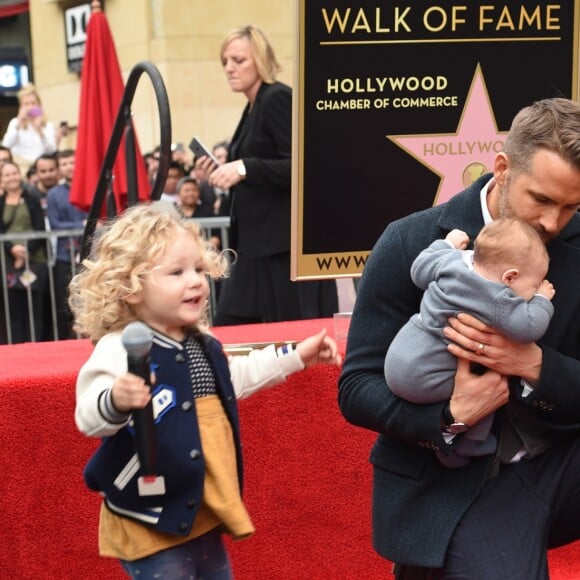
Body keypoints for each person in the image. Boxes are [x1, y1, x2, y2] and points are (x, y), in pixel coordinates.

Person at [338, 97, 580, 578]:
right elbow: (357, 387)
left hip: (559, 458)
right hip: (455, 479)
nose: (554, 222)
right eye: (542, 199)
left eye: (572, 205)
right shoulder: (413, 241)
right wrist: (449, 417)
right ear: (503, 168)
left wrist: (531, 364)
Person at [70, 203, 341, 579]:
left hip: (199, 508)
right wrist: (116, 399)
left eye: (199, 269)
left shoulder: (202, 343)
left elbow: (238, 377)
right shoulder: (119, 347)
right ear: (129, 287)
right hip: (148, 517)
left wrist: (297, 355)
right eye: (177, 272)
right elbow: (88, 414)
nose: (196, 280)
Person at [384, 219, 555, 468]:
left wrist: (446, 244)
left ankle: (448, 436)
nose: (534, 289)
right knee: (489, 386)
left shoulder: (454, 261)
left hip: (398, 358)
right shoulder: (499, 299)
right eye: (533, 284)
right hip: (429, 376)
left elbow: (418, 270)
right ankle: (468, 444)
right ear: (510, 277)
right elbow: (528, 328)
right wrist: (542, 300)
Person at [205, 25, 338, 325]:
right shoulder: (254, 105)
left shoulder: (276, 97)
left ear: (261, 60)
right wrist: (227, 167)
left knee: (285, 330)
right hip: (257, 246)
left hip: (282, 247)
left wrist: (243, 167)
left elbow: (304, 165)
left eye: (238, 60)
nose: (229, 68)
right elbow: (263, 161)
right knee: (232, 323)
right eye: (225, 61)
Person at [0, 160, 48, 343]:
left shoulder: (31, 199)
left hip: (34, 261)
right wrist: (12, 250)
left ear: (19, 175)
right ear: (2, 179)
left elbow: (40, 229)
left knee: (34, 309)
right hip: (9, 263)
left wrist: (25, 253)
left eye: (14, 173)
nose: (11, 177)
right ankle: (17, 348)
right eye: (7, 174)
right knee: (14, 310)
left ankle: (35, 347)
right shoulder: (0, 202)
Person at [47, 149, 87, 339]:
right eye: (64, 164)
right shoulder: (54, 194)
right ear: (59, 168)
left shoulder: (89, 186)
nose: (69, 167)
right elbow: (55, 224)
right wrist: (81, 225)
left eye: (72, 162)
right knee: (65, 304)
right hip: (64, 255)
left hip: (89, 253)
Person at [1, 84, 62, 172]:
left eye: (33, 103)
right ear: (21, 106)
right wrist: (19, 123)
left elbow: (52, 150)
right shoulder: (15, 122)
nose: (30, 107)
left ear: (39, 104)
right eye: (26, 104)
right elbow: (6, 145)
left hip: (41, 168)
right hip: (21, 167)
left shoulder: (48, 124)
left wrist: (39, 130)